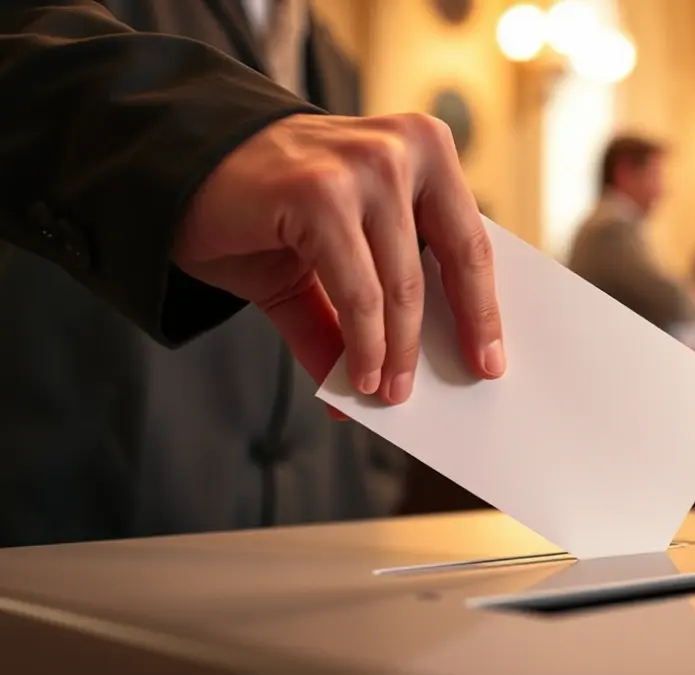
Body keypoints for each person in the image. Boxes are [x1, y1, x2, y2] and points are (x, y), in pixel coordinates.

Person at [0, 1, 504, 544]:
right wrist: (201, 137)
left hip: (315, 557)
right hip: (88, 541)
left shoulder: (334, 59)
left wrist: (373, 472)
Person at [567, 135, 695, 331]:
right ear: (625, 173)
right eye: (655, 176)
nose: (662, 190)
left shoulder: (610, 221)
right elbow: (673, 303)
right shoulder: (612, 229)